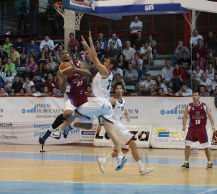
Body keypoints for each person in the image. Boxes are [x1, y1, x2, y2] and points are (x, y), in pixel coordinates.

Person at [60, 32, 127, 171]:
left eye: (107, 62)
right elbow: (93, 58)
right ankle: (120, 155)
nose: (105, 62)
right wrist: (87, 46)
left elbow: (95, 59)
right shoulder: (105, 71)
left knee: (75, 109)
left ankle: (61, 130)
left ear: (110, 66)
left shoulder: (105, 71)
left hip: (100, 102)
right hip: (106, 105)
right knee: (110, 131)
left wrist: (90, 44)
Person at [98, 83, 155, 175]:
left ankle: (104, 160)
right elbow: (102, 109)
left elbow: (123, 109)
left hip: (117, 126)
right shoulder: (112, 101)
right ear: (115, 90)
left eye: (121, 88)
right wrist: (100, 124)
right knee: (133, 144)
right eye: (117, 88)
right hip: (115, 126)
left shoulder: (123, 100)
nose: (119, 90)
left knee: (124, 150)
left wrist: (127, 115)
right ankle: (141, 168)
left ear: (123, 90)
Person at [39, 50, 91, 144]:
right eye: (63, 53)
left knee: (88, 126)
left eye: (67, 53)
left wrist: (76, 69)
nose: (66, 54)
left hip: (82, 95)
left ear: (70, 56)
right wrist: (65, 78)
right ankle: (48, 133)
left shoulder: (78, 63)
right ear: (60, 57)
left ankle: (69, 126)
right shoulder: (60, 72)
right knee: (68, 113)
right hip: (71, 96)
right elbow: (62, 90)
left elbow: (88, 73)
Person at [182, 91, 215, 170]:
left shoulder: (204, 105)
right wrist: (184, 126)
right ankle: (186, 162)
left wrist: (213, 125)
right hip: (192, 129)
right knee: (187, 145)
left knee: (206, 146)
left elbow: (210, 115)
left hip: (201, 129)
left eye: (196, 95)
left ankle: (209, 163)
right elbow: (184, 116)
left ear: (199, 97)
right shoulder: (189, 106)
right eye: (193, 95)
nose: (194, 96)